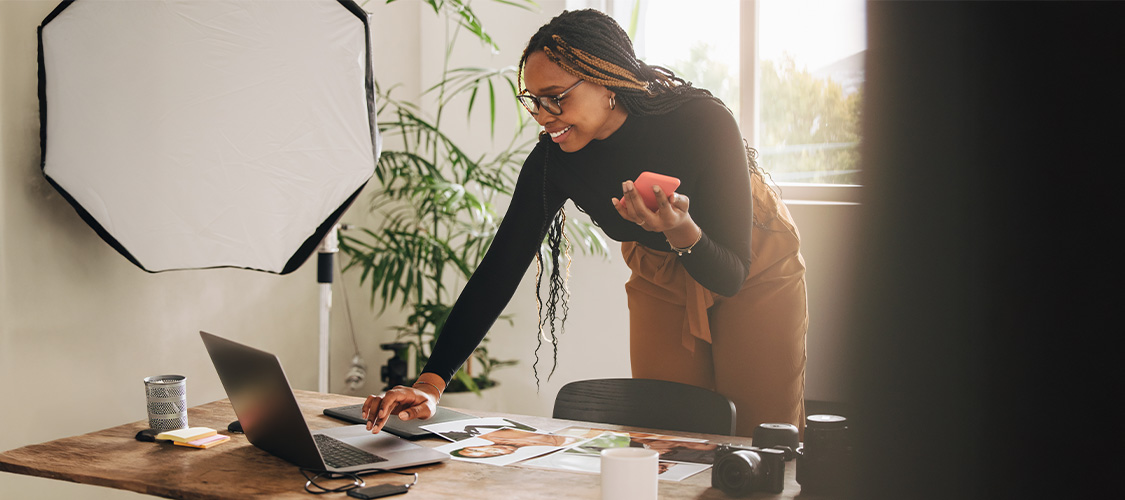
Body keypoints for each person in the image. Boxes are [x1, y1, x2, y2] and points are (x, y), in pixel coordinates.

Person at [363, 9, 808, 438]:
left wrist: (679, 229)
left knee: (762, 437)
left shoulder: (700, 122)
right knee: (667, 437)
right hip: (659, 265)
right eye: (533, 101)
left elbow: (729, 276)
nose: (542, 114)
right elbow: (500, 268)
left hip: (750, 257)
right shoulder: (553, 161)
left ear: (607, 80)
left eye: (556, 97)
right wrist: (430, 383)